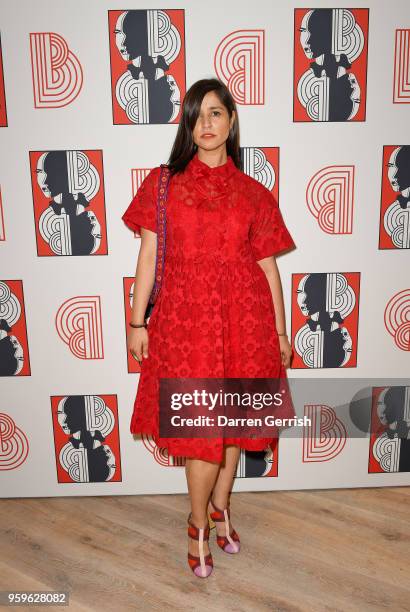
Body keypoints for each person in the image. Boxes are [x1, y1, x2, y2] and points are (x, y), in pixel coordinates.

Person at [122, 78, 296, 578]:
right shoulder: (164, 184)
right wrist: (138, 321)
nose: (207, 124)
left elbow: (268, 270)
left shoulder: (253, 193)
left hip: (245, 321)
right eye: (197, 115)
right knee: (201, 430)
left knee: (236, 423)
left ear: (232, 121)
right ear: (188, 125)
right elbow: (149, 257)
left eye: (216, 113)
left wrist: (280, 335)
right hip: (186, 323)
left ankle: (221, 508)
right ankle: (197, 525)